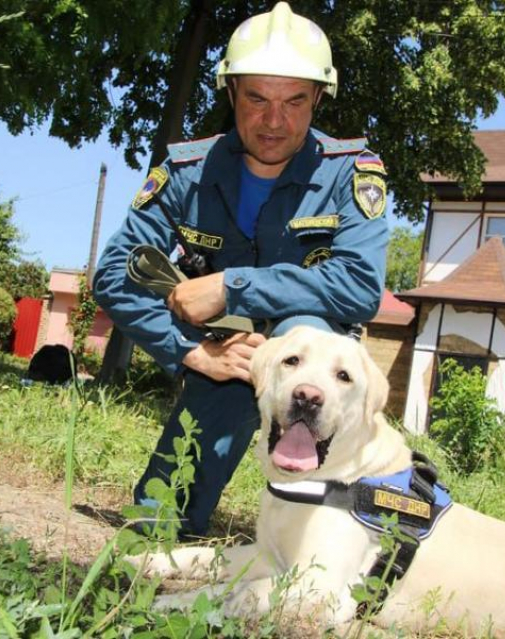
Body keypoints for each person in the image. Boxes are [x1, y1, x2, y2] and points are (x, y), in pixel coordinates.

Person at [93, 1, 389, 537]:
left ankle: (322, 525)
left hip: (314, 357)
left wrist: (231, 287)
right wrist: (192, 353)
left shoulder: (352, 172)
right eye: (256, 98)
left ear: (319, 98)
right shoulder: (185, 171)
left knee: (312, 347)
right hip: (226, 358)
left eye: (295, 100)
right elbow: (116, 273)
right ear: (231, 93)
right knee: (156, 527)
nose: (274, 120)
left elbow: (360, 285)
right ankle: (171, 521)